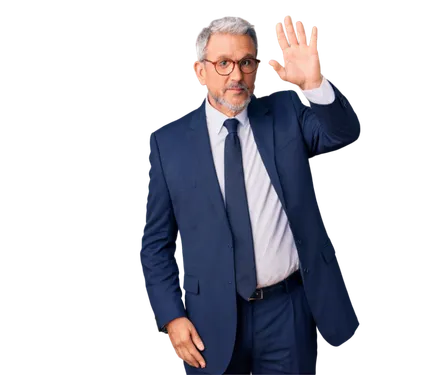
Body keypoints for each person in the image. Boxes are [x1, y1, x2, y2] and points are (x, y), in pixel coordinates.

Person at [138, 14, 361, 375]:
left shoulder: (287, 111)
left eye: (246, 62)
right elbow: (155, 244)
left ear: (258, 68)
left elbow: (343, 134)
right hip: (207, 318)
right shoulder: (168, 144)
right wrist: (172, 317)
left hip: (287, 312)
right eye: (223, 63)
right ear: (199, 71)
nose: (236, 75)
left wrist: (316, 85)